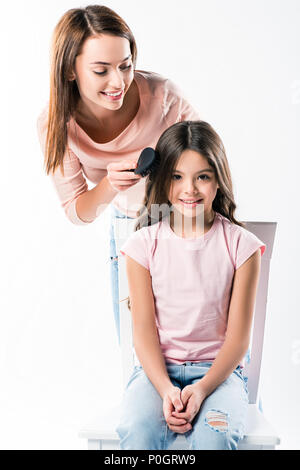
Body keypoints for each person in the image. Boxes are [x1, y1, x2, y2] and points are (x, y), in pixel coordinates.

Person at [36, 5, 201, 344]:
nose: (118, 82)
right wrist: (110, 185)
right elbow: (77, 211)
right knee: (137, 350)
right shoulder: (56, 125)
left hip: (190, 227)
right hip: (128, 233)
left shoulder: (165, 98)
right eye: (101, 70)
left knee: (204, 345)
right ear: (70, 70)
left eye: (125, 66)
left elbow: (209, 168)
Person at [116, 120, 266, 450]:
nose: (190, 189)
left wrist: (200, 390)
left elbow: (239, 340)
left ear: (218, 181)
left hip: (220, 376)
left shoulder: (242, 246)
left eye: (203, 177)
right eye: (177, 176)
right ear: (163, 180)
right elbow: (143, 333)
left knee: (215, 437)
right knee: (138, 432)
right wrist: (167, 389)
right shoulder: (142, 245)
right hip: (156, 374)